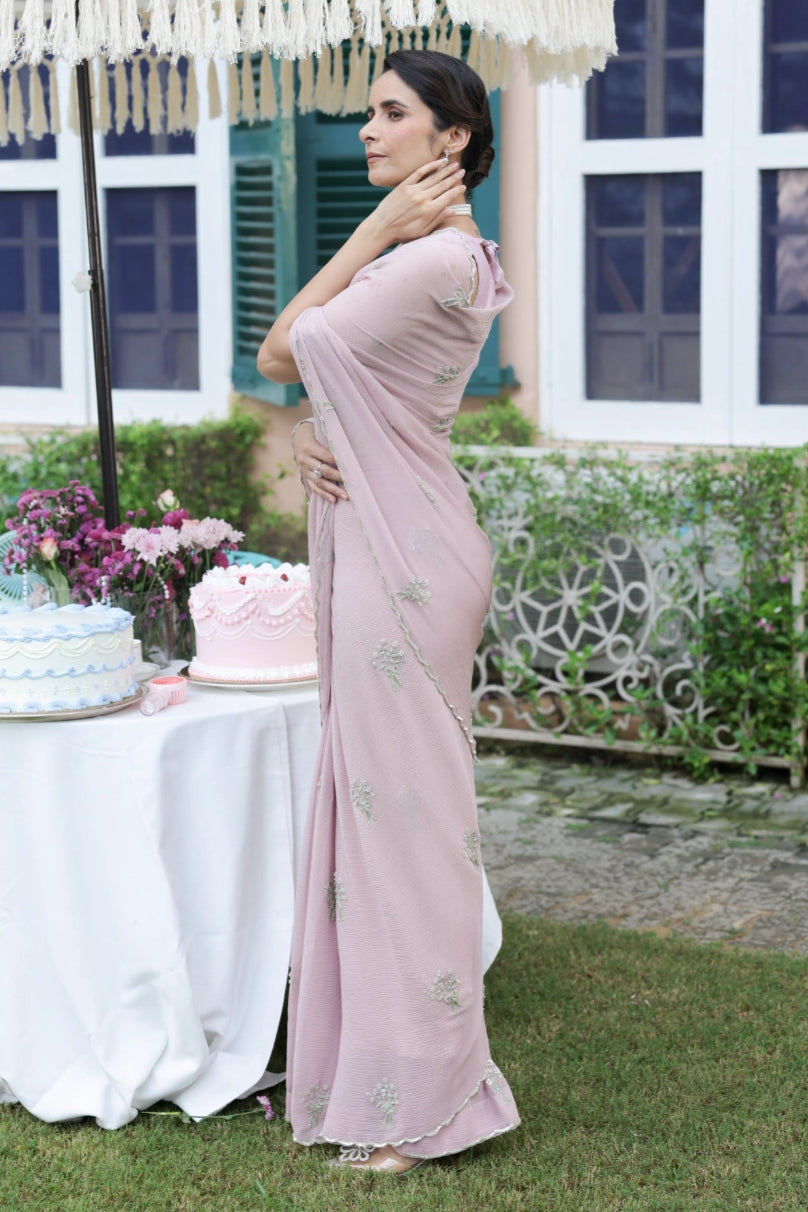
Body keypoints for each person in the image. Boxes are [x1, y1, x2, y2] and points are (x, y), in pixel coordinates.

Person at [257, 48, 519, 1175]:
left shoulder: (437, 258)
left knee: (408, 832)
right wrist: (324, 422)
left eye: (388, 113)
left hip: (406, 558)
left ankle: (431, 1102)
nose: (364, 131)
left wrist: (365, 240)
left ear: (446, 142)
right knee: (371, 822)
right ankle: (365, 1068)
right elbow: (278, 357)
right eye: (368, 113)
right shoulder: (406, 263)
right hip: (381, 538)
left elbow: (298, 341)